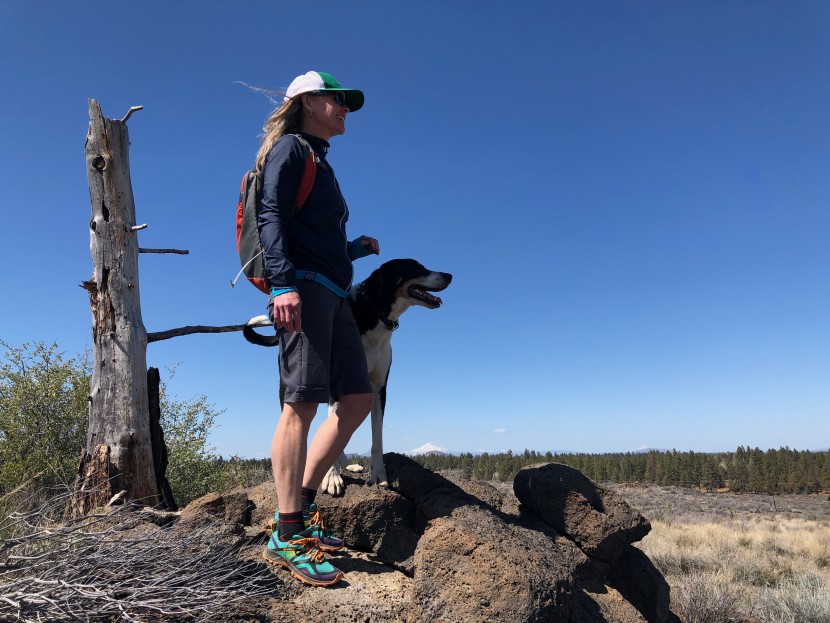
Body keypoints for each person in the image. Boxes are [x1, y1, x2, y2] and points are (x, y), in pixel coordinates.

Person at [255, 71, 378, 587]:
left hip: (334, 291)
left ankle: (300, 512)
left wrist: (353, 249)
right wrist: (282, 285)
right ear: (307, 101)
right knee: (301, 402)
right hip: (302, 286)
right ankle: (286, 533)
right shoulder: (290, 149)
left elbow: (316, 233)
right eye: (337, 100)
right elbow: (271, 214)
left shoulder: (321, 163)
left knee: (357, 399)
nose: (345, 108)